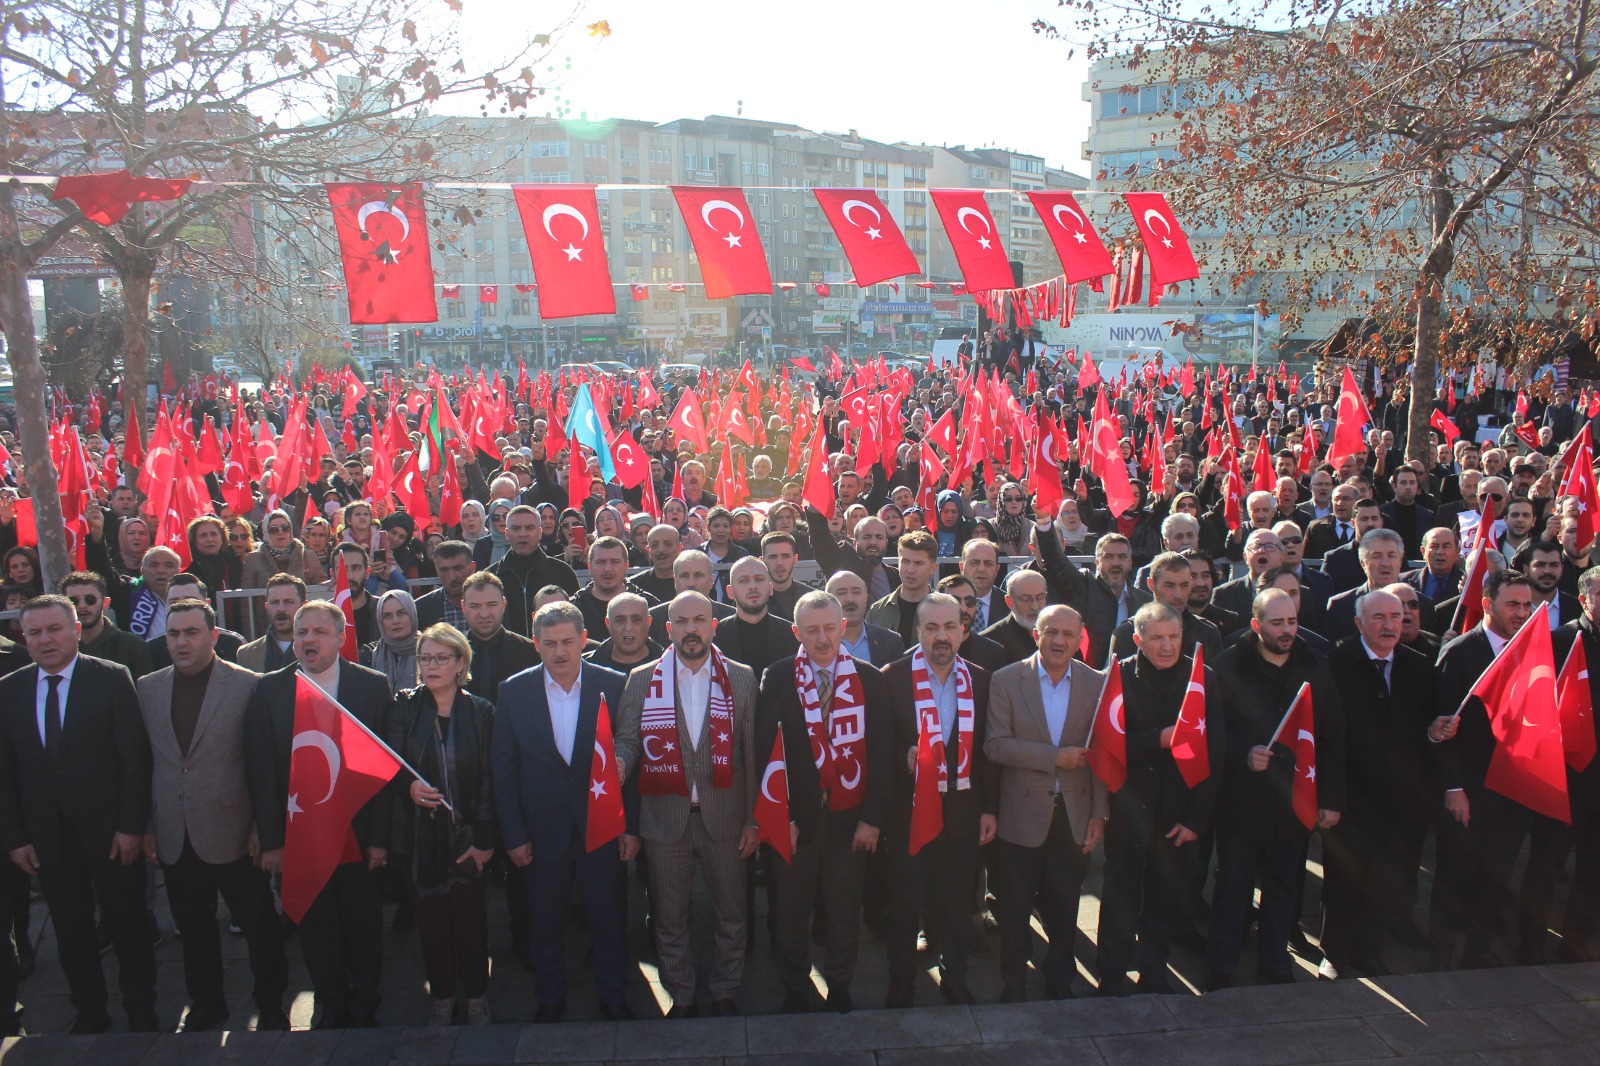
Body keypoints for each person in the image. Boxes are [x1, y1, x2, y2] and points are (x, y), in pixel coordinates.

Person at [0, 595, 158, 1034]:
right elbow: (5, 774)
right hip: (47, 840)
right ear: (24, 638)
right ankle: (89, 1011)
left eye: (54, 629)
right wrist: (15, 837)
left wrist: (130, 826)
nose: (45, 640)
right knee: (70, 932)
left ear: (76, 629)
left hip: (111, 835)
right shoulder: (8, 690)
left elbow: (134, 759)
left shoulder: (110, 679)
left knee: (128, 927)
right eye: (35, 633)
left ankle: (141, 1008)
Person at [136, 597, 288, 1031]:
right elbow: (146, 761)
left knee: (260, 926)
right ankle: (207, 1003)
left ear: (214, 636)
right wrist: (148, 825)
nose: (181, 642)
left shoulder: (248, 684)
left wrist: (264, 824)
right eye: (173, 633)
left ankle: (271, 1003)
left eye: (191, 632)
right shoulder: (148, 687)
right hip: (174, 831)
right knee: (193, 927)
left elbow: (266, 761)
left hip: (237, 830)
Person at [245, 601, 393, 1028]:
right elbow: (261, 769)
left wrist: (380, 838)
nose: (308, 640)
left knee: (363, 925)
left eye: (319, 632)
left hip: (357, 833)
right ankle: (331, 1001)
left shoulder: (371, 686)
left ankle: (365, 1002)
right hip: (301, 835)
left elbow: (385, 771)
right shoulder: (269, 689)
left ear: (341, 637)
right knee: (316, 924)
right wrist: (272, 840)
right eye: (301, 632)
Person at [615, 591, 760, 1018]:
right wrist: (618, 763)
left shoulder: (743, 678)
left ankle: (725, 991)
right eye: (682, 621)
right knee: (669, 917)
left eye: (700, 620)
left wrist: (753, 819)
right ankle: (681, 995)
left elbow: (751, 756)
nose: (691, 629)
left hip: (726, 820)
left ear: (713, 626)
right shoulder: (642, 679)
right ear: (668, 629)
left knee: (732, 913)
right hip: (665, 822)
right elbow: (627, 738)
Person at [494, 602, 635, 1023]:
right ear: (535, 644)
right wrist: (514, 835)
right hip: (541, 833)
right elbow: (503, 769)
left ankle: (614, 997)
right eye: (550, 643)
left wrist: (632, 828)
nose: (559, 652)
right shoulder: (513, 691)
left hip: (604, 827)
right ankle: (550, 999)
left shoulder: (613, 684)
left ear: (584, 640)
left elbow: (634, 756)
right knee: (545, 923)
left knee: (608, 918)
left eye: (568, 642)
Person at [754, 591, 890, 1014]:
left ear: (844, 627)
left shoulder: (869, 678)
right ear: (797, 632)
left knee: (844, 910)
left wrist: (872, 820)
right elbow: (764, 753)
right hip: (797, 818)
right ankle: (795, 985)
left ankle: (841, 985)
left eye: (831, 628)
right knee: (791, 911)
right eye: (812, 631)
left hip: (850, 819)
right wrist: (782, 818)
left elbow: (883, 754)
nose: (823, 639)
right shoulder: (776, 677)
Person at [1205, 588, 1343, 990]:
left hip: (1294, 802)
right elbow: (1211, 733)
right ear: (1256, 625)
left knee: (1284, 888)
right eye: (1277, 623)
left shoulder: (1315, 665)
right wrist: (1242, 755)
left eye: (1292, 622)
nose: (1287, 631)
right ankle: (1222, 964)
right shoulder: (1227, 666)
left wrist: (1331, 800)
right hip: (1241, 803)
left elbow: (1333, 735)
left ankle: (1274, 960)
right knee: (1233, 887)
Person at [1096, 603, 1223, 997]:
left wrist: (1196, 820)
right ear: (1138, 640)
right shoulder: (1116, 677)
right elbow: (1107, 747)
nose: (1167, 646)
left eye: (1174, 637)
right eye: (1157, 638)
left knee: (1164, 900)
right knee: (1118, 897)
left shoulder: (1203, 678)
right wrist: (1160, 739)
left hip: (1177, 813)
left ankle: (1154, 972)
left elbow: (1214, 753)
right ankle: (1112, 976)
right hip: (1129, 811)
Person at [984, 604, 1107, 1002]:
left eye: (1068, 634)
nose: (1059, 641)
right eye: (1051, 631)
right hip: (1019, 815)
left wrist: (1099, 814)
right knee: (1015, 910)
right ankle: (1013, 983)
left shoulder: (1096, 683)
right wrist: (1054, 757)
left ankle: (1060, 981)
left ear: (1079, 638)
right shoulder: (1006, 680)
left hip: (1072, 816)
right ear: (1036, 634)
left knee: (1064, 907)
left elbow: (1103, 756)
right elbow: (995, 745)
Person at [881, 592, 995, 1008]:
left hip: (963, 813)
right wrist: (901, 755)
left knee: (956, 904)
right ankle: (901, 982)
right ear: (918, 632)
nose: (941, 636)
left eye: (950, 627)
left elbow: (987, 753)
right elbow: (878, 745)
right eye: (931, 628)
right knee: (904, 903)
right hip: (909, 814)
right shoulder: (891, 677)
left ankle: (955, 977)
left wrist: (988, 809)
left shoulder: (982, 680)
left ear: (964, 630)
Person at [1321, 589, 1435, 978]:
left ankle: (1369, 951)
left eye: (1396, 616)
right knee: (1342, 879)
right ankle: (1335, 953)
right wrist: (1330, 797)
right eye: (1379, 618)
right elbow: (1325, 737)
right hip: (1350, 797)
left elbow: (1425, 730)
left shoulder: (1420, 666)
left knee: (1385, 880)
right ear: (1358, 623)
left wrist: (1435, 732)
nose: (1390, 625)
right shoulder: (1335, 664)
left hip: (1401, 800)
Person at [388, 623, 497, 1027]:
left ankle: (477, 999)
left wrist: (484, 839)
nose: (431, 666)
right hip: (421, 838)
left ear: (460, 663)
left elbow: (490, 778)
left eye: (440, 658)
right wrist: (408, 786)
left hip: (468, 836)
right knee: (432, 927)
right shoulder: (403, 705)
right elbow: (390, 763)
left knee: (471, 925)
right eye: (424, 658)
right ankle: (443, 997)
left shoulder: (482, 712)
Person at [1429, 568, 1535, 970]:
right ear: (1487, 605)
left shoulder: (1533, 649)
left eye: (1527, 605)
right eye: (1513, 604)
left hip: (1513, 788)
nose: (1522, 613)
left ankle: (1479, 948)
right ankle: (1440, 951)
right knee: (1454, 873)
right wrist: (1453, 788)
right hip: (1468, 790)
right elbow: (1443, 727)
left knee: (1496, 875)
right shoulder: (1460, 652)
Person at [1543, 565, 1600, 962]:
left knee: (1593, 871)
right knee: (1547, 865)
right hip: (1564, 779)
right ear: (1583, 599)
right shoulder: (1559, 641)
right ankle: (1530, 938)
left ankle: (1575, 941)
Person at [1108, 552, 1222, 663]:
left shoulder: (1208, 633)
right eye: (1169, 585)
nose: (1178, 594)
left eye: (1184, 585)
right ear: (1151, 584)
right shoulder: (1126, 634)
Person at [486, 505, 580, 638]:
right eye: (516, 528)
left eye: (529, 528)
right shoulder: (491, 577)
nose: (522, 533)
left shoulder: (563, 573)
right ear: (506, 533)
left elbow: (576, 621)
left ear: (540, 532)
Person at [714, 556, 801, 675]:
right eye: (743, 580)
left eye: (759, 579)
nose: (752, 586)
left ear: (771, 588)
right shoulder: (715, 637)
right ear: (730, 592)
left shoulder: (792, 636)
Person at [61, 570, 154, 678]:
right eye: (73, 600)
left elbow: (145, 691)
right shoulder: (58, 645)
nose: (82, 606)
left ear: (105, 603)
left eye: (90, 599)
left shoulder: (132, 645)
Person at [147, 574, 245, 668]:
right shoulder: (152, 649)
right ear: (165, 606)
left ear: (207, 604)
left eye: (190, 601)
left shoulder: (232, 644)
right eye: (174, 602)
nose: (182, 606)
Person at [571, 536, 657, 639]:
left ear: (626, 566)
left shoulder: (650, 606)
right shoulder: (573, 609)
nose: (607, 569)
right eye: (601, 562)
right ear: (589, 567)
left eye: (615, 562)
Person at [865, 529, 938, 648]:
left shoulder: (946, 611)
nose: (910, 570)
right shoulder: (876, 612)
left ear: (933, 568)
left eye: (918, 563)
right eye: (905, 561)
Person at [825, 570, 905, 668]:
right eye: (842, 593)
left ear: (866, 598)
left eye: (856, 592)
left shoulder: (891, 642)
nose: (850, 599)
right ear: (828, 600)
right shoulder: (814, 642)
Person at [237, 573, 306, 672]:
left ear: (304, 606)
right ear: (267, 606)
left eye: (288, 602)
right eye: (274, 602)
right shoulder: (247, 654)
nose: (281, 609)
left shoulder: (319, 649)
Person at [586, 591, 662, 672]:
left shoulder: (669, 663)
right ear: (608, 623)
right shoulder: (586, 669)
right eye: (620, 620)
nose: (628, 628)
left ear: (649, 622)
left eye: (636, 620)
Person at [366, 590, 420, 694]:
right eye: (387, 616)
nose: (395, 621)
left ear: (412, 614)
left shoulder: (430, 650)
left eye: (401, 613)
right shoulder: (368, 655)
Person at [415, 541, 476, 631]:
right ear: (437, 570)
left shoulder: (492, 602)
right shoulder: (421, 608)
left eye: (458, 568)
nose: (452, 577)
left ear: (472, 567)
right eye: (444, 570)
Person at [760, 532, 804, 621]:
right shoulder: (753, 600)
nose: (779, 562)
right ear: (762, 561)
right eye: (773, 557)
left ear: (795, 559)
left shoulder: (809, 597)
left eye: (786, 556)